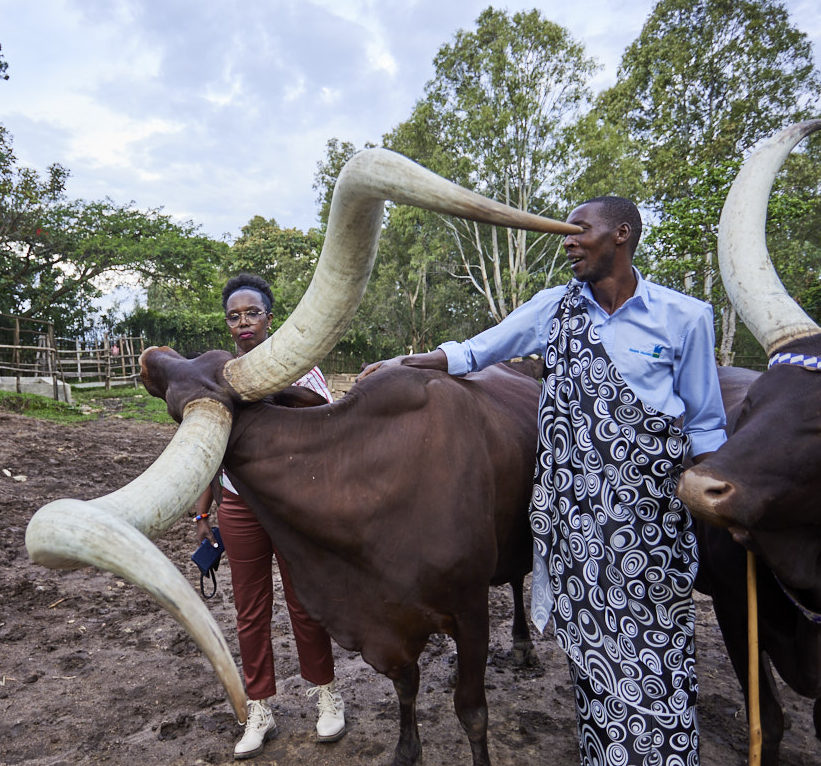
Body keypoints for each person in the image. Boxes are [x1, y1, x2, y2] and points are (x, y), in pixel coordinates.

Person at [359, 197, 726, 766]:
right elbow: (478, 350)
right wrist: (407, 362)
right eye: (567, 233)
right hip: (574, 517)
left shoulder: (687, 316)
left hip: (651, 519)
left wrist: (721, 503)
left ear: (622, 234)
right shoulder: (552, 308)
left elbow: (704, 422)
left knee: (658, 647)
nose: (568, 241)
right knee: (594, 656)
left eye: (580, 231)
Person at [194, 273, 346, 760]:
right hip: (238, 504)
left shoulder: (299, 370)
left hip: (290, 504)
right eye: (234, 316)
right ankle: (259, 708)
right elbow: (205, 448)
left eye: (251, 313)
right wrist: (204, 511)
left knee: (303, 602)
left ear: (269, 318)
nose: (243, 323)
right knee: (250, 609)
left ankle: (326, 693)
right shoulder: (217, 378)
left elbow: (328, 428)